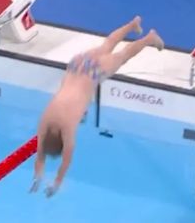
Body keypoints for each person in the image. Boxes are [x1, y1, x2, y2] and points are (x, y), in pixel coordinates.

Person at [29, 16, 164, 198]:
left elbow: (66, 161)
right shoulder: (45, 121)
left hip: (93, 73)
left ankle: (149, 38)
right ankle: (133, 25)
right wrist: (37, 177)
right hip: (76, 65)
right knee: (107, 45)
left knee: (123, 56)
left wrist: (56, 184)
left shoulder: (67, 129)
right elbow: (40, 155)